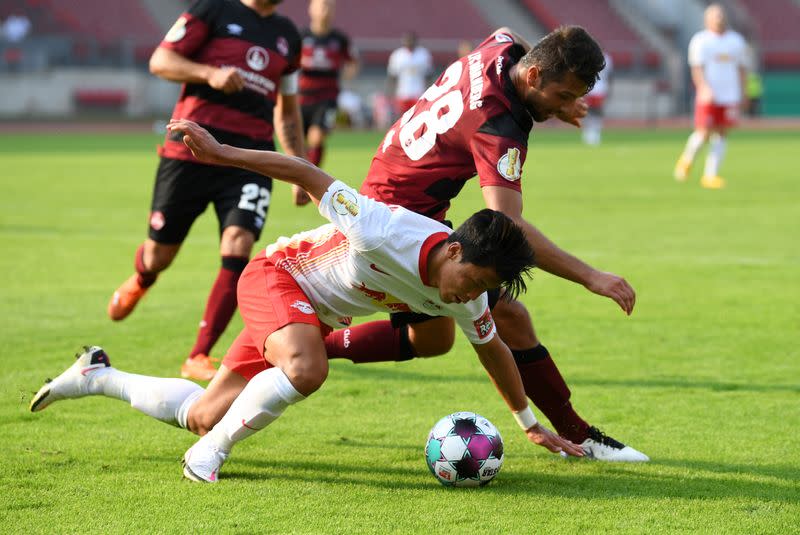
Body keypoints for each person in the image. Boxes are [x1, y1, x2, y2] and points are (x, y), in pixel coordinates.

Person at [31, 119, 585, 483]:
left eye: (480, 292)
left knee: (202, 414)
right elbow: (306, 172)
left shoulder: (467, 296)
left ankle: (97, 374)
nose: (469, 296)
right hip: (276, 276)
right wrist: (221, 153)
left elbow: (493, 352)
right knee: (306, 366)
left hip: (308, 313)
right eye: (472, 281)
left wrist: (526, 420)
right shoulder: (385, 228)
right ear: (455, 248)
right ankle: (210, 457)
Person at [316, 26, 647, 461]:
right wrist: (590, 276)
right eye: (562, 96)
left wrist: (558, 104)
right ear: (533, 78)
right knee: (510, 316)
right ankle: (577, 434)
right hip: (399, 221)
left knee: (434, 340)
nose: (566, 106)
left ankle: (313, 348)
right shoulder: (498, 126)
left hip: (398, 196)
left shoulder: (504, 48)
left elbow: (513, 37)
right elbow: (508, 223)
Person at [106, 0, 306, 381]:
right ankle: (144, 276)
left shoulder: (288, 36)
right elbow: (161, 61)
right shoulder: (214, 10)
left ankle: (199, 354)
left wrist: (299, 168)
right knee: (159, 254)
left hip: (249, 158)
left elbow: (288, 108)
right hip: (189, 152)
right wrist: (210, 74)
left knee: (238, 243)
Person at [673, 3, 747, 189]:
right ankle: (687, 160)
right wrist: (704, 88)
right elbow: (697, 68)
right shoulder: (701, 41)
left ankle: (710, 175)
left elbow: (741, 69)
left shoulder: (736, 41)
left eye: (721, 15)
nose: (719, 19)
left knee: (722, 132)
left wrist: (743, 92)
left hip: (729, 96)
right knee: (704, 132)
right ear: (707, 19)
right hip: (709, 96)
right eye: (715, 16)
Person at [298, 0, 358, 169]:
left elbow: (353, 61)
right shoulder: (301, 36)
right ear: (311, 9)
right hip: (302, 97)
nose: (326, 10)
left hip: (327, 98)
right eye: (322, 5)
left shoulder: (339, 39)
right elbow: (287, 62)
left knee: (316, 137)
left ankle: (310, 176)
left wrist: (348, 76)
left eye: (330, 7)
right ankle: (302, 175)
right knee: (299, 143)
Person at [386, 31, 433, 117]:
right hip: (402, 92)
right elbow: (392, 76)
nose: (409, 42)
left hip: (419, 92)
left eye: (411, 40)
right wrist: (390, 93)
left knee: (418, 117)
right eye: (407, 40)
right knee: (402, 118)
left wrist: (429, 91)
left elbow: (428, 75)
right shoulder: (397, 55)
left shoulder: (423, 54)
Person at [582, 51, 613, 146]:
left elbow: (609, 75)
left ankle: (593, 134)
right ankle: (591, 134)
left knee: (595, 112)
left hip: (598, 88)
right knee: (590, 112)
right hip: (594, 89)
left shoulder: (605, 58)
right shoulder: (605, 58)